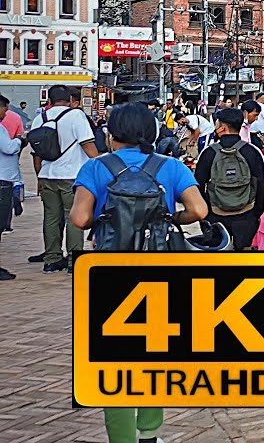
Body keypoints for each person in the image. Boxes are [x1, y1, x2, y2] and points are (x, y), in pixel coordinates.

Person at [67, 102, 208, 443]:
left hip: (111, 271)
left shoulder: (96, 168)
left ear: (110, 134)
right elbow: (199, 210)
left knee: (114, 361)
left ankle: (122, 439)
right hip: (160, 269)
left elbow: (80, 219)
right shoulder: (171, 167)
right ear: (152, 133)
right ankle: (150, 434)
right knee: (154, 353)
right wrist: (171, 219)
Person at [29, 85, 98, 274]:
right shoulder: (76, 116)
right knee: (73, 217)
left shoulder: (39, 119)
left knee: (51, 218)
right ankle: (74, 261)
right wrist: (102, 166)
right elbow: (87, 145)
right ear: (70, 99)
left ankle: (52, 259)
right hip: (73, 176)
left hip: (47, 175)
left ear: (49, 101)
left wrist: (39, 178)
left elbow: (36, 154)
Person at [195, 107, 264, 251]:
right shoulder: (252, 152)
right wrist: (255, 214)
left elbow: (198, 186)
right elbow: (262, 184)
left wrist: (208, 214)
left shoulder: (209, 153)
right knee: (243, 260)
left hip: (216, 215)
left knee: (219, 260)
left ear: (222, 128)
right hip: (246, 215)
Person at [0, 94, 23, 278]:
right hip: (2, 180)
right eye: (4, 108)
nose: (6, 112)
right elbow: (8, 147)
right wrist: (20, 141)